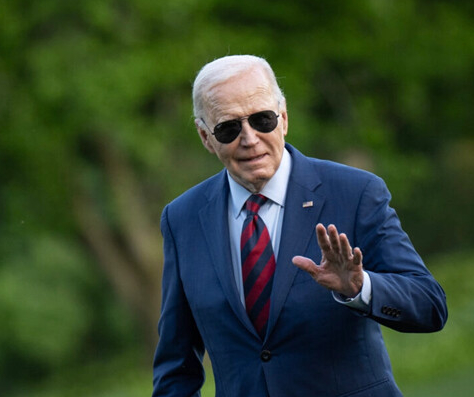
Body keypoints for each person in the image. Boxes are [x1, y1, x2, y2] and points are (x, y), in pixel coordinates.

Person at [152, 55, 447, 397]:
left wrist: (359, 288)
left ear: (284, 118)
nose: (249, 139)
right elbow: (176, 366)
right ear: (205, 137)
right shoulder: (182, 218)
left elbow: (430, 306)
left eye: (262, 120)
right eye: (229, 128)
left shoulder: (355, 193)